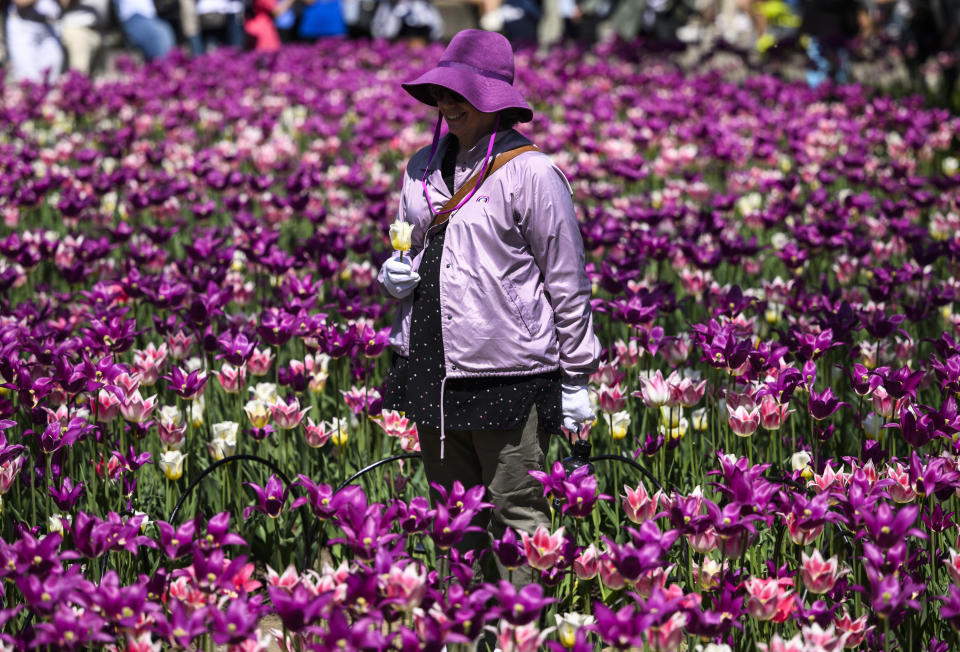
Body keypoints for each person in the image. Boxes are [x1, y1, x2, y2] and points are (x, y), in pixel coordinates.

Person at [378, 29, 601, 586]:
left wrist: (577, 376)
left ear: (494, 101)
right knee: (454, 520)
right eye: (442, 94)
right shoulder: (418, 169)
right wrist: (393, 277)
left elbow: (567, 282)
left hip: (506, 369)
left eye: (462, 95)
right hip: (432, 363)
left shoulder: (533, 173)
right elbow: (414, 245)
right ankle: (467, 626)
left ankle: (523, 630)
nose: (448, 105)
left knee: (516, 513)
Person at [5, 0, 66, 82]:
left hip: (51, 27)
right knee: (28, 79)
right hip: (24, 26)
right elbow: (20, 2)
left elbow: (65, 5)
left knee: (53, 78)